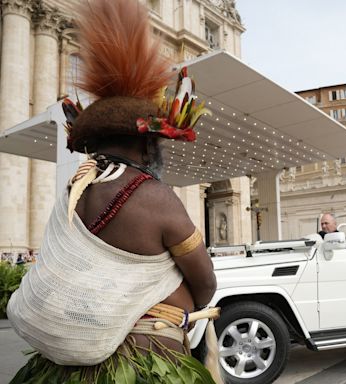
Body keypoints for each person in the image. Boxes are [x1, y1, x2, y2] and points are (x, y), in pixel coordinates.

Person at [7, 0, 220, 382]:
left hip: (60, 370)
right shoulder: (154, 196)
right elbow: (205, 282)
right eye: (158, 144)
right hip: (146, 363)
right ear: (146, 145)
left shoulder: (77, 189)